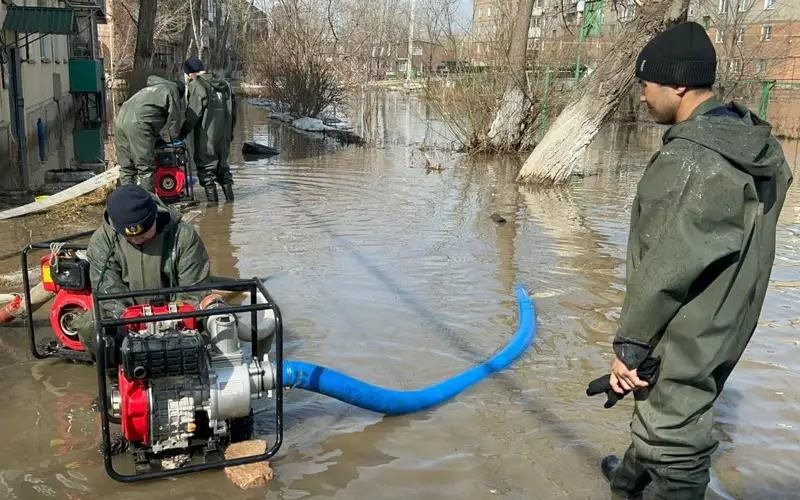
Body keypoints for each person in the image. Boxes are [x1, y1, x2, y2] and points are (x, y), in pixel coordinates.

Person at [596, 21, 793, 499]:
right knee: (670, 408)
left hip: (691, 324)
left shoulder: (691, 160)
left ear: (677, 84)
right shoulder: (754, 144)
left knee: (675, 441)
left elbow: (664, 268)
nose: (642, 97)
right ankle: (627, 483)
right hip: (729, 315)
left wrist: (630, 346)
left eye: (646, 85)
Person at [74, 184, 211, 357]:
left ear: (154, 216)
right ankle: (116, 373)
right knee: (89, 326)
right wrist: (132, 324)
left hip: (173, 311)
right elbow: (107, 290)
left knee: (220, 321)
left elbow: (194, 291)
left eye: (144, 234)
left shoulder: (183, 236)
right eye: (129, 237)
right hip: (125, 315)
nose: (137, 240)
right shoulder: (102, 240)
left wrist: (168, 324)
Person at [179, 57, 237, 203]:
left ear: (190, 73)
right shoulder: (225, 84)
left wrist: (182, 133)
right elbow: (234, 112)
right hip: (224, 135)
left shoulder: (198, 85)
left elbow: (193, 114)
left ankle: (213, 210)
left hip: (207, 136)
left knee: (207, 171)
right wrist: (230, 132)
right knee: (223, 169)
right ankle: (230, 205)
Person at [115, 76, 185, 193]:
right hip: (139, 124)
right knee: (146, 168)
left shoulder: (148, 90)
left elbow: (149, 114)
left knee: (127, 168)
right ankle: (147, 204)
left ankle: (126, 202)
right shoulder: (172, 90)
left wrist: (157, 138)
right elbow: (174, 121)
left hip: (120, 121)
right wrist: (172, 140)